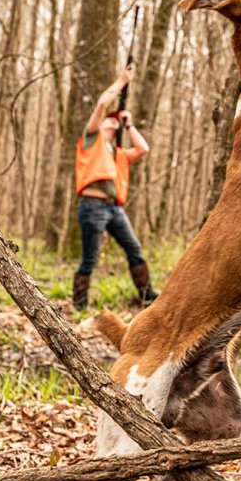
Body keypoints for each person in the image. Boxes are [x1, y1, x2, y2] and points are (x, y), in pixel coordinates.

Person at [72, 64, 156, 310]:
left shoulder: (118, 153)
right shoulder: (91, 139)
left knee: (134, 250)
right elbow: (101, 105)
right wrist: (122, 81)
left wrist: (129, 125)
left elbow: (143, 149)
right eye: (109, 122)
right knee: (89, 259)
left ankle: (146, 294)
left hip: (114, 209)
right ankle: (79, 305)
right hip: (92, 206)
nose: (111, 123)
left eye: (114, 123)